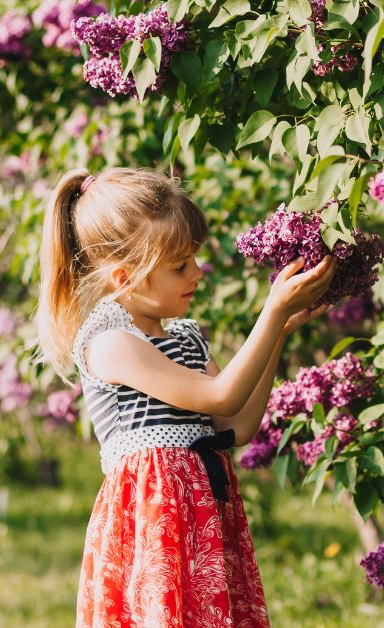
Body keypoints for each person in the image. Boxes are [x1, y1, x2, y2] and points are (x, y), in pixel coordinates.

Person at [33, 166, 336, 627]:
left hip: (203, 514)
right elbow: (218, 394)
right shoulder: (110, 343)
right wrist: (271, 312)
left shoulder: (186, 337)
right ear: (123, 276)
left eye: (193, 259)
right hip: (157, 520)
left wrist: (279, 334)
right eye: (180, 267)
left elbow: (235, 425)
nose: (197, 272)